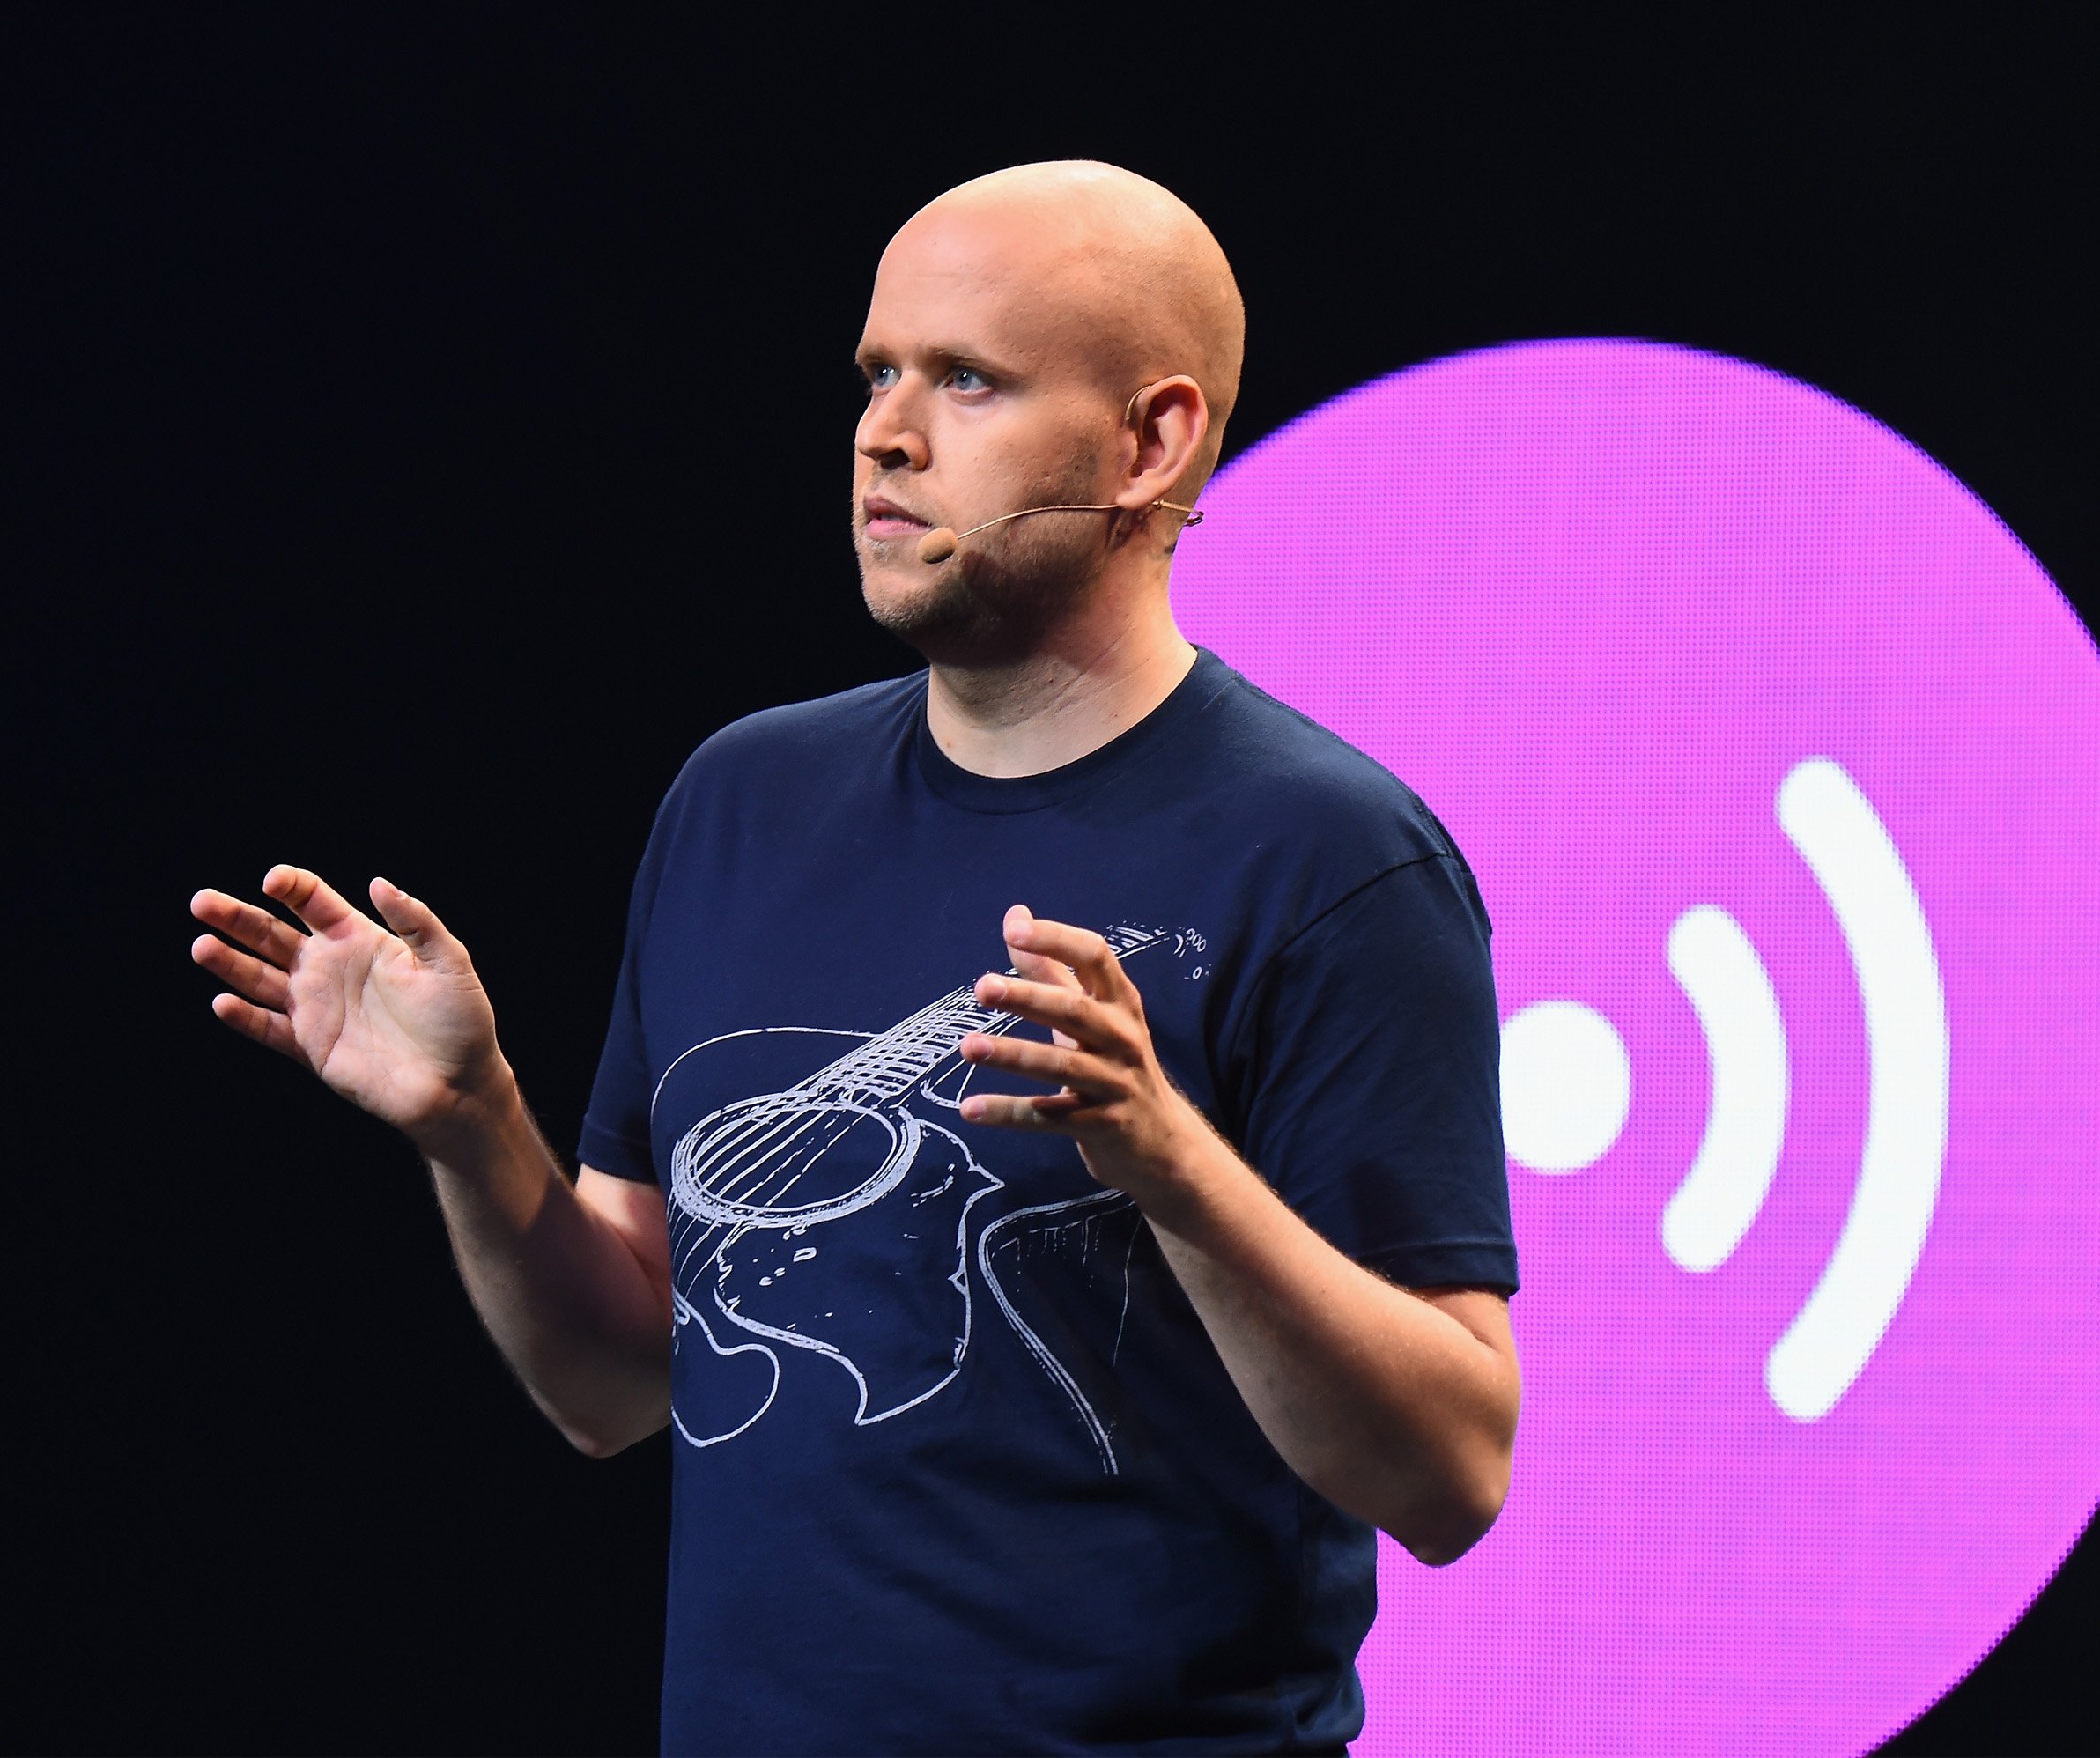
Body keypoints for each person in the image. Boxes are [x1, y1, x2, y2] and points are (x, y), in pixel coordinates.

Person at [189, 161, 1520, 1754]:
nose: (886, 434)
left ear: (1152, 439)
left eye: (968, 379)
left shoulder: (1331, 862)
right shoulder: (743, 799)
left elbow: (1448, 1477)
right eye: (879, 374)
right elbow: (622, 1386)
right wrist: (472, 1126)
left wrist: (1170, 1162)